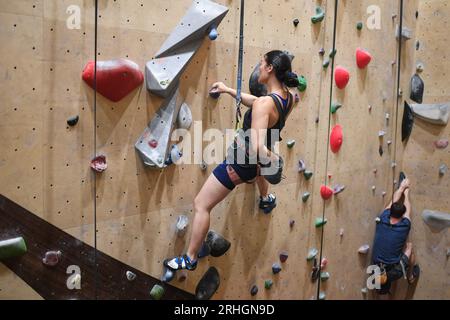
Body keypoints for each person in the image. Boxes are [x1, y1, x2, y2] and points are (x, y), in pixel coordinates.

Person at [164, 50, 299, 271]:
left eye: (260, 62)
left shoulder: (266, 104)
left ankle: (190, 258)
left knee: (201, 204)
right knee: (258, 169)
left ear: (269, 69)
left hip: (240, 163)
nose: (258, 66)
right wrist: (228, 90)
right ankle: (266, 198)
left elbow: (256, 145)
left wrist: (274, 159)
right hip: (254, 165)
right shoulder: (287, 98)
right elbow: (259, 104)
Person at [371, 177, 420, 295]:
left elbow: (407, 210)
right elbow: (393, 202)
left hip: (395, 260)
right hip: (385, 257)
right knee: (407, 252)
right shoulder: (383, 218)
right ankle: (404, 187)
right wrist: (403, 188)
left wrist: (408, 248)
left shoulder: (405, 225)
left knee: (410, 251)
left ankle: (409, 276)